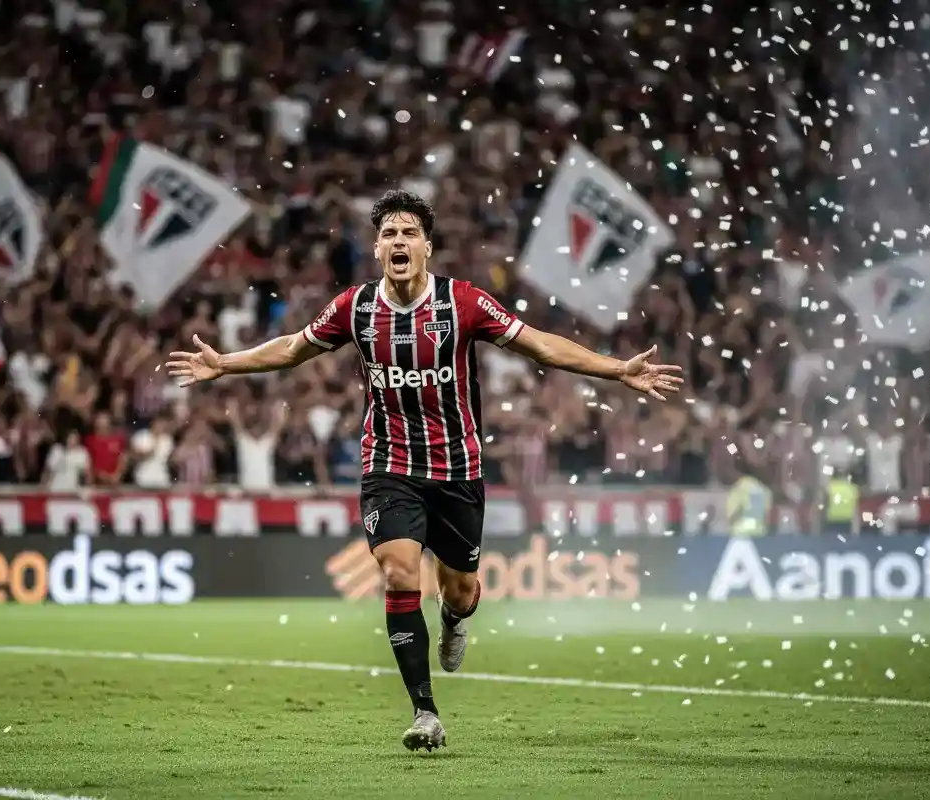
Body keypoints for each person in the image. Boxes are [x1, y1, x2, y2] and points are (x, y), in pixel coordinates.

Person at [165, 189, 683, 751]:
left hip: (457, 468)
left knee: (460, 589)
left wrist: (616, 370)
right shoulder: (356, 308)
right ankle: (424, 712)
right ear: (378, 248)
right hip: (388, 464)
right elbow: (293, 348)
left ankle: (455, 618)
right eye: (389, 233)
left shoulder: (462, 303)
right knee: (398, 572)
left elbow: (539, 346)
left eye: (409, 232)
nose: (399, 241)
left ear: (428, 247)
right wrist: (225, 364)